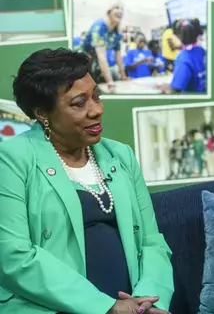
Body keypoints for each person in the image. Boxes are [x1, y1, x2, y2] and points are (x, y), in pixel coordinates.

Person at [0, 48, 174, 314]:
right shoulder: (12, 160)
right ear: (42, 113)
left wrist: (147, 304)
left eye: (96, 96)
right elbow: (14, 257)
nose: (97, 110)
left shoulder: (121, 155)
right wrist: (106, 307)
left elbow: (151, 242)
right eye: (79, 103)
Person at [79, 0, 127, 93]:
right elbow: (102, 57)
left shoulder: (117, 32)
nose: (120, 11)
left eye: (122, 9)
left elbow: (118, 56)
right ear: (109, 11)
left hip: (96, 62)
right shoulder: (99, 27)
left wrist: (123, 76)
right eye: (117, 8)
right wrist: (110, 83)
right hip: (83, 61)